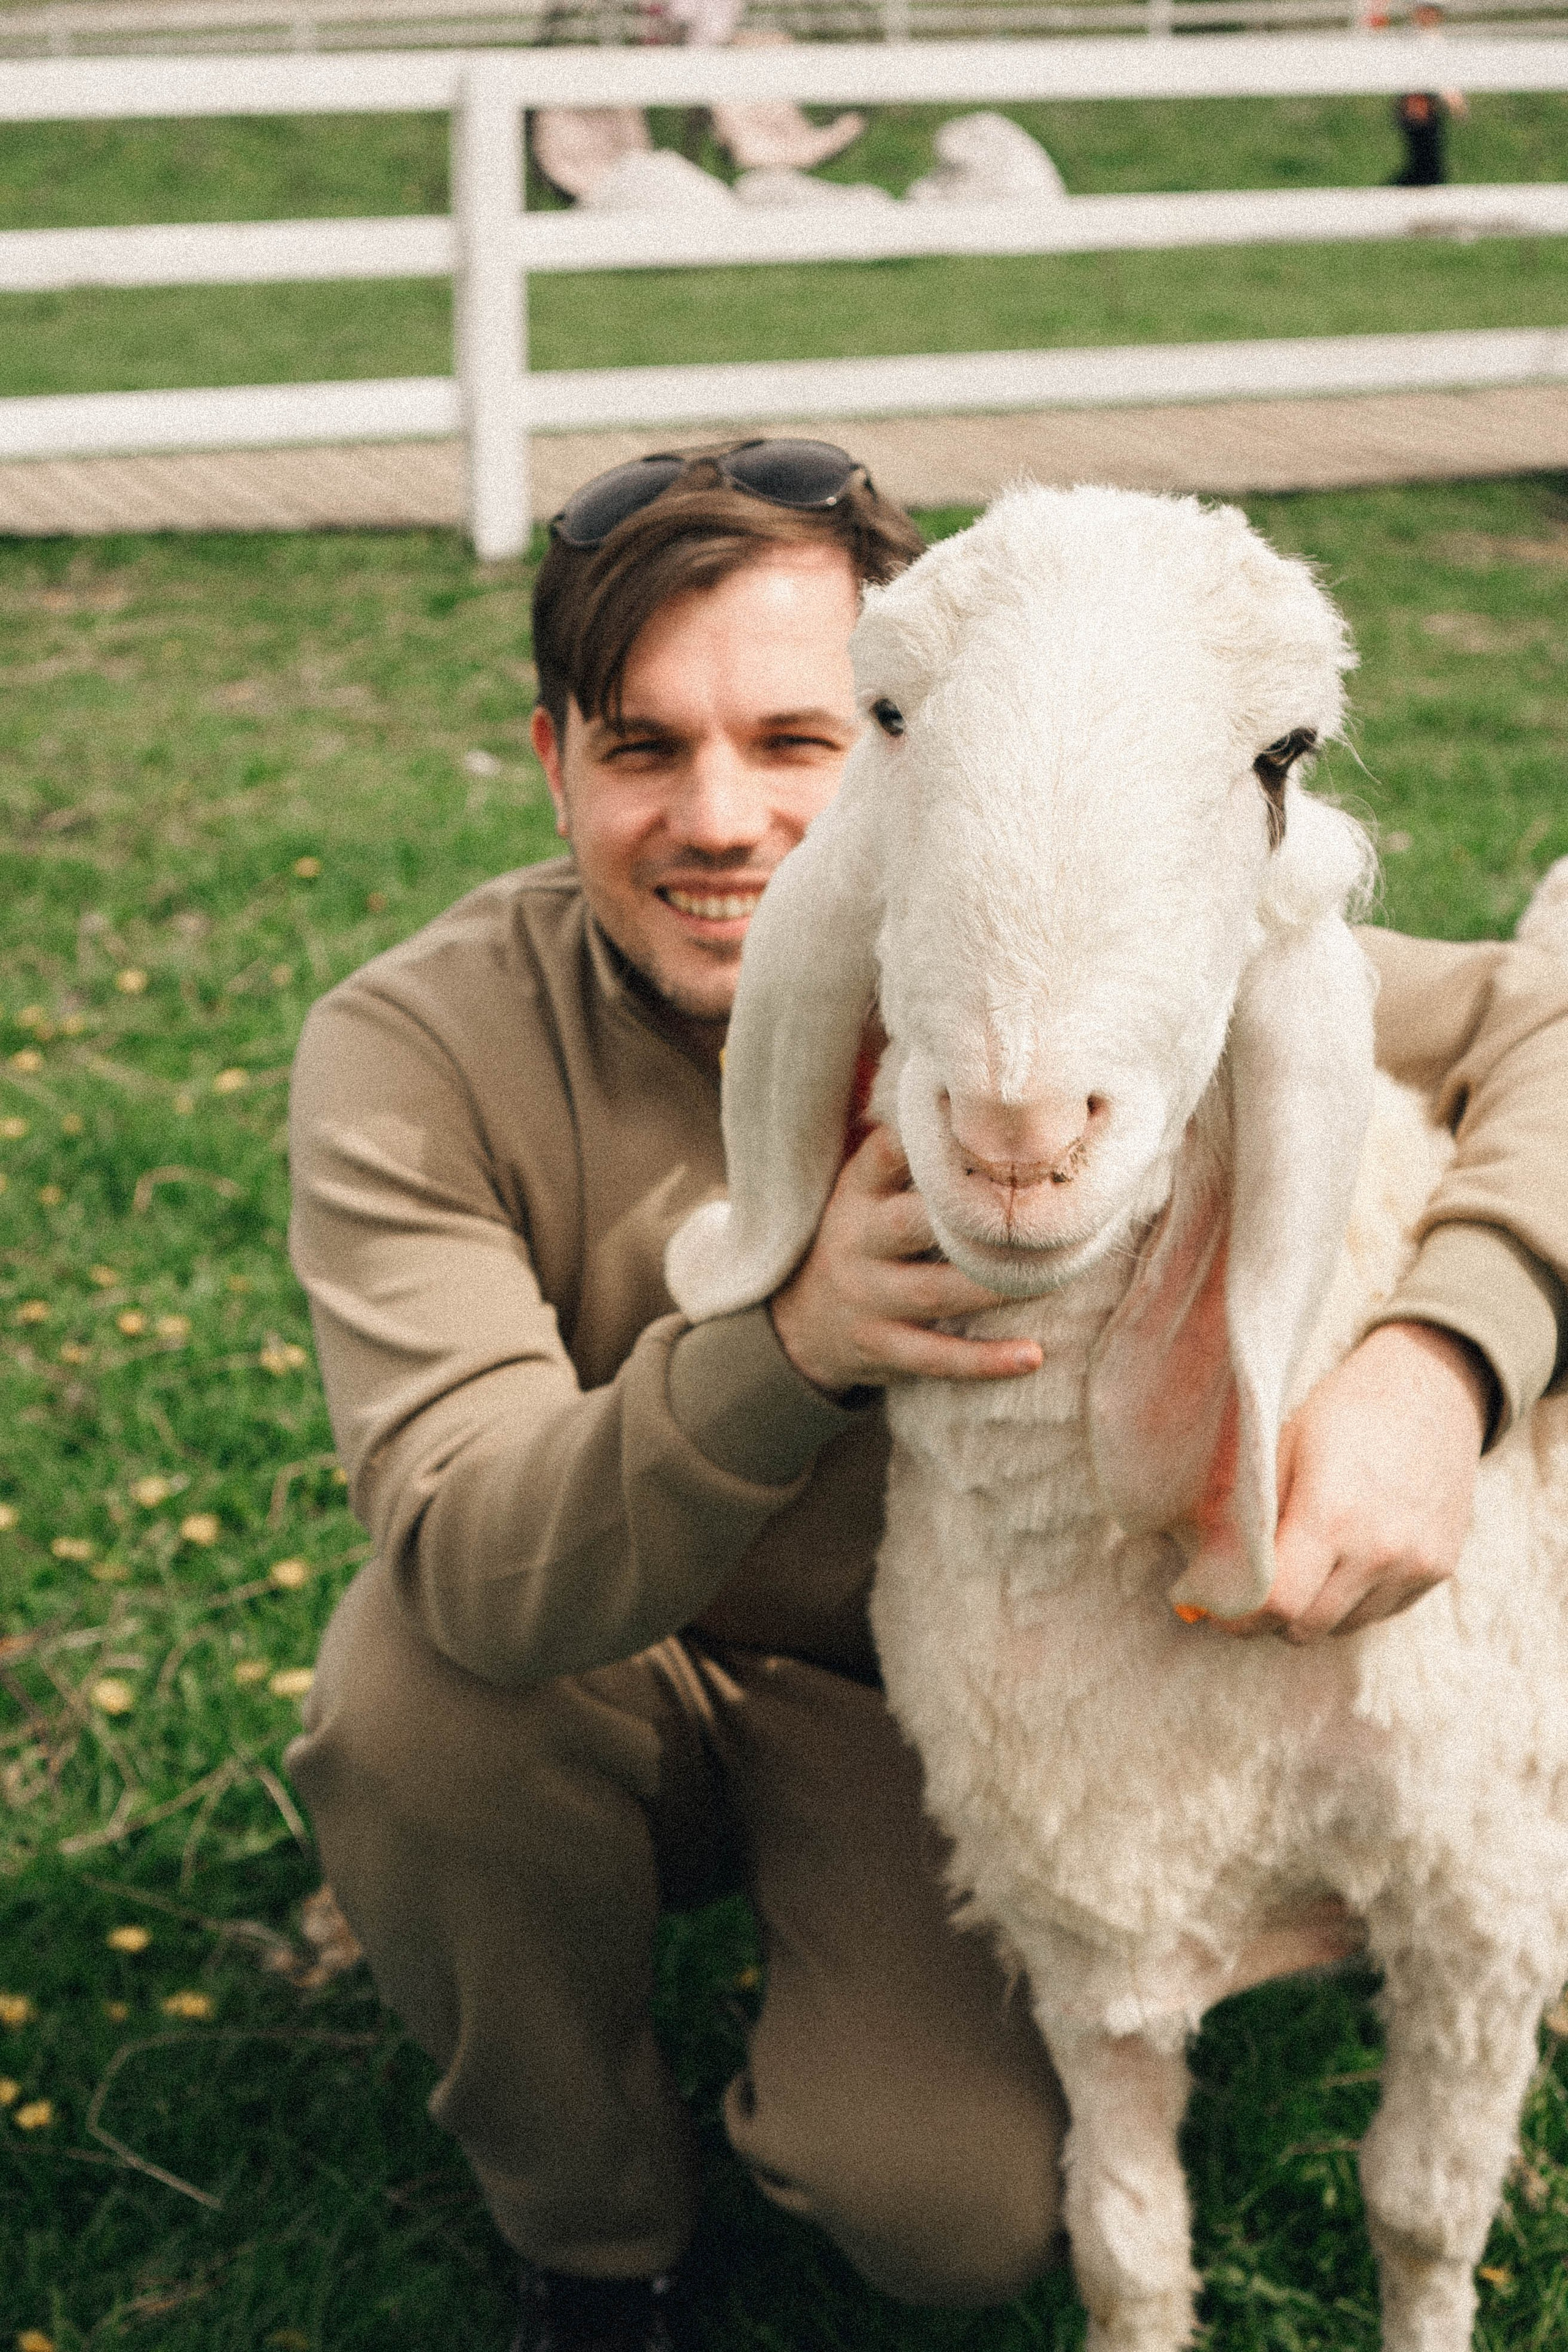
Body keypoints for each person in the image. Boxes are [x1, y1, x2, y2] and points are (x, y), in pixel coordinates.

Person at [285, 440, 1568, 2352]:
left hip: (933, 1702)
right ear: (552, 758)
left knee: (946, 2209)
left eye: (801, 739)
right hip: (615, 1650)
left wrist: (1442, 1355)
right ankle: (594, 2234)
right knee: (412, 1703)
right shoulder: (416, 1050)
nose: (722, 818)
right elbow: (476, 1550)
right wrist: (785, 1338)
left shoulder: (1073, 946)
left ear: (922, 753)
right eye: (643, 747)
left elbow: (1543, 1016)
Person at [1390, 2, 1468, 187]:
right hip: (1418, 104)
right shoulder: (1418, 39)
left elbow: (1442, 73)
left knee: (1426, 159)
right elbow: (1438, 74)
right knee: (1426, 161)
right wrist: (1455, 101)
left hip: (1427, 104)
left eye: (1432, 12)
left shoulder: (1430, 39)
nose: (1428, 16)